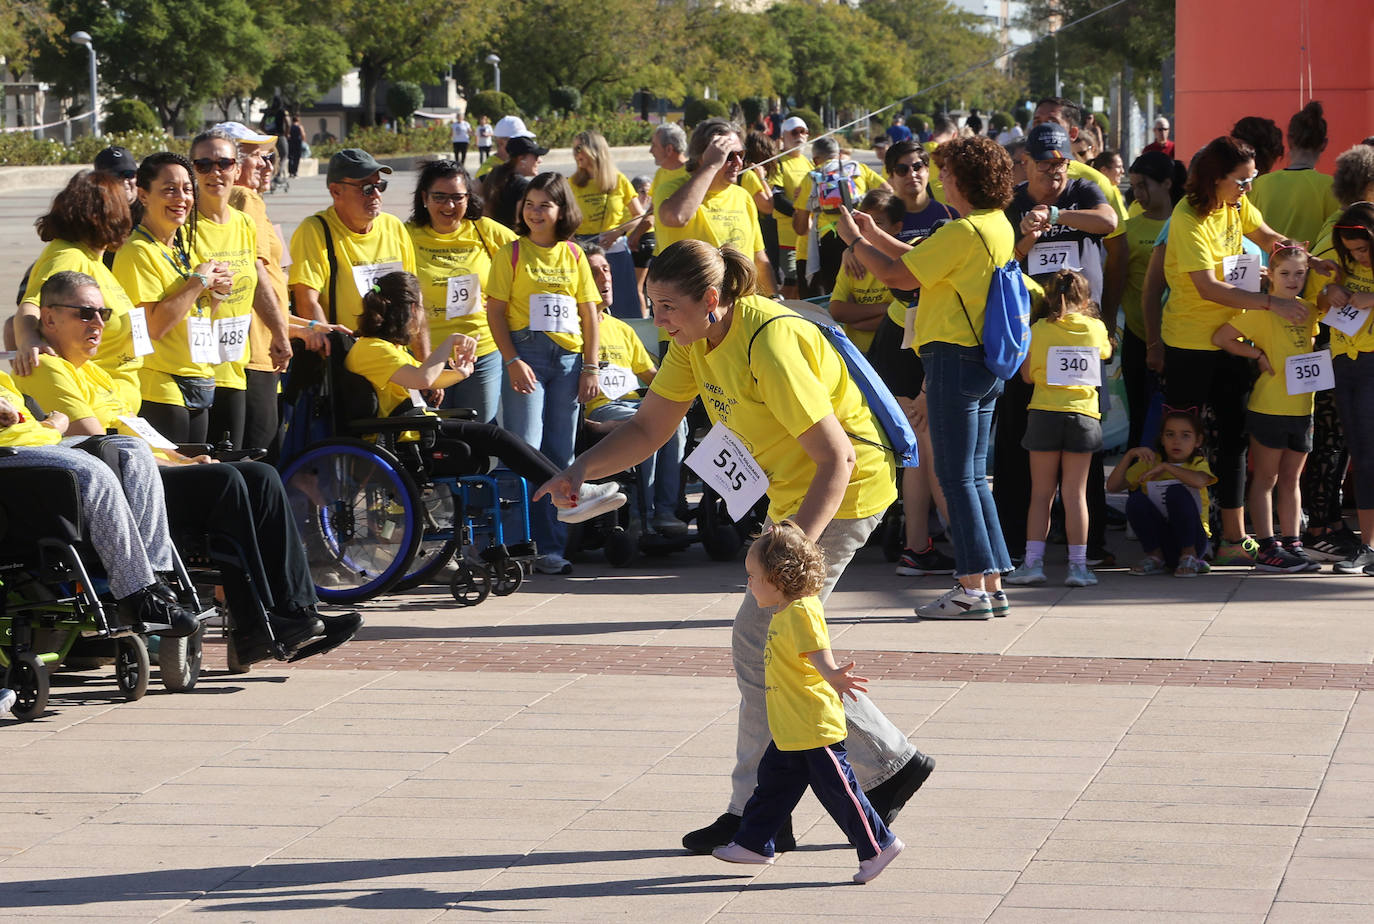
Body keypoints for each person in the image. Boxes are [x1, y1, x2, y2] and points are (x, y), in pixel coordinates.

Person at [535, 240, 932, 853]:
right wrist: (578, 470)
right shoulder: (694, 344)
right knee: (767, 648)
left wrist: (790, 547)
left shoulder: (768, 341)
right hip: (790, 497)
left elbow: (839, 457)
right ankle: (872, 770)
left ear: (713, 300)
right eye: (653, 304)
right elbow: (648, 427)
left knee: (762, 641)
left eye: (669, 306)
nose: (660, 319)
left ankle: (762, 811)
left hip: (844, 493)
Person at [19, 271, 357, 662]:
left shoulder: (94, 373)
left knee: (260, 476)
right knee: (224, 482)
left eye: (103, 314)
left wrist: (183, 459)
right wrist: (178, 465)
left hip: (142, 470)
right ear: (49, 319)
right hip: (110, 492)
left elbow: (141, 438)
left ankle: (298, 611)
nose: (97, 324)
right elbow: (101, 446)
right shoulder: (47, 369)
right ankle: (255, 626)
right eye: (84, 314)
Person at [835, 134, 1018, 620]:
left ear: (965, 180)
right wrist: (873, 234)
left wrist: (853, 240)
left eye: (947, 173)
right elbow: (918, 262)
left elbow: (898, 277)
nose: (939, 179)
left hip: (953, 358)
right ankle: (993, 583)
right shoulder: (992, 224)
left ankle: (970, 589)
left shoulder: (961, 231)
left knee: (955, 477)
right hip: (982, 360)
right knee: (975, 476)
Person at [344, 270, 624, 525]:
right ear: (410, 310)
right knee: (497, 437)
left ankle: (567, 491)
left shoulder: (383, 348)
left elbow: (422, 379)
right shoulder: (371, 349)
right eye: (422, 308)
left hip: (414, 430)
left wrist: (460, 373)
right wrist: (450, 342)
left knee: (497, 439)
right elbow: (422, 379)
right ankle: (570, 490)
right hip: (403, 439)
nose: (423, 317)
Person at [712, 521, 904, 884]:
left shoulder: (801, 611)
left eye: (753, 576)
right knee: (771, 785)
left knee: (839, 792)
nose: (748, 583)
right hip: (792, 727)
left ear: (779, 577)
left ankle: (880, 846)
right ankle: (753, 843)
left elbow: (818, 649)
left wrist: (833, 675)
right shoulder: (786, 611)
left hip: (813, 727)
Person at [1161, 135, 1311, 566]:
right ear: (1214, 179)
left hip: (1233, 337)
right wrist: (1272, 302)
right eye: (1241, 181)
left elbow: (1265, 236)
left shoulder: (1235, 204)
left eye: (1252, 179)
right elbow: (1207, 286)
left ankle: (1233, 537)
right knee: (1181, 440)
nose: (1248, 188)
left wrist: (1306, 257)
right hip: (1190, 343)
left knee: (1233, 438)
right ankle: (1179, 541)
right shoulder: (1187, 217)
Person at [996, 121, 1117, 567]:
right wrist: (1028, 232)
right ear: (1026, 163)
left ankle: (1088, 542)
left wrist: (1058, 215)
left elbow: (1109, 222)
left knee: (1086, 438)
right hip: (1029, 334)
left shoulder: (1082, 191)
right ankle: (1015, 539)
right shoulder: (1013, 201)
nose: (1055, 173)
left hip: (1080, 336)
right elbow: (1003, 258)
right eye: (1046, 165)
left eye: (1061, 163)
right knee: (1020, 437)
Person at [0, 375, 202, 639]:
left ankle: (152, 575)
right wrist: (53, 425)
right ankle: (135, 594)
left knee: (133, 449)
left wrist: (48, 426)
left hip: (38, 440)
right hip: (12, 449)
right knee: (92, 471)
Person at [486, 172, 602, 575]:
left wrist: (591, 366)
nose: (535, 212)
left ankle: (550, 548)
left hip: (569, 362)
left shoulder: (573, 255)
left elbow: (590, 314)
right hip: (527, 353)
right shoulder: (511, 253)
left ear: (561, 210)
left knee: (560, 455)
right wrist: (512, 359)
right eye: (530, 204)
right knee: (524, 449)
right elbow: (495, 312)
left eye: (545, 205)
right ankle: (512, 544)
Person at [862, 141, 959, 577]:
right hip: (906, 344)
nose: (914, 172)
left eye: (921, 165)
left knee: (923, 454)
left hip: (908, 339)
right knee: (930, 453)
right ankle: (959, 545)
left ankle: (919, 545)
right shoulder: (934, 252)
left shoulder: (944, 224)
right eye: (904, 167)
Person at [1211, 245, 1321, 572]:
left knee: (1291, 479)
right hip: (1269, 407)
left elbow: (1310, 343)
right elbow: (1223, 337)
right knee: (1267, 478)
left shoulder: (1309, 310)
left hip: (1303, 407)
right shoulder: (1258, 312)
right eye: (1285, 273)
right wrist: (1257, 355)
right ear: (1270, 275)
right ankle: (1267, 544)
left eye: (1299, 273)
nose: (1293, 280)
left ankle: (1293, 542)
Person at [112, 152, 234, 443]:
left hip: (199, 378)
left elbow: (196, 313)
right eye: (169, 189)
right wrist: (197, 282)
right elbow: (154, 328)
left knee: (198, 473)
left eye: (187, 189)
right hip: (162, 386)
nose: (181, 197)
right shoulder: (137, 252)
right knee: (178, 482)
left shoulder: (183, 249)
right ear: (143, 195)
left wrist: (215, 292)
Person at [1004, 269, 1112, 588]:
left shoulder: (1038, 328)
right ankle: (1078, 567)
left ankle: (1033, 563)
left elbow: (1026, 376)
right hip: (1083, 416)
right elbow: (1105, 353)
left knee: (1041, 493)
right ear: (1087, 299)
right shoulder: (1096, 327)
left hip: (1044, 414)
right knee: (1076, 493)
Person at [10, 171, 146, 409]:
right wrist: (30, 340)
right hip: (94, 405)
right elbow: (31, 305)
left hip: (117, 401)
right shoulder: (69, 256)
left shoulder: (92, 259)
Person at [580, 243, 687, 535]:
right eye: (594, 272)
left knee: (674, 420)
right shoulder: (574, 330)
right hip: (602, 408)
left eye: (606, 270)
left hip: (634, 403)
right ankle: (645, 512)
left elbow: (653, 376)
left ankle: (666, 511)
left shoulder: (622, 329)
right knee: (644, 424)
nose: (605, 278)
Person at [1300, 146, 1374, 563]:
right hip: (1339, 351)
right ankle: (1323, 524)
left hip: (1348, 349)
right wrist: (1330, 290)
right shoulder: (1342, 227)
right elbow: (1321, 286)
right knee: (1334, 441)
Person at [406, 159, 516, 423]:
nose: (449, 206)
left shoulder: (486, 231)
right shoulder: (405, 235)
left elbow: (530, 262)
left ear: (469, 198)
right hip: (425, 355)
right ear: (424, 197)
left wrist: (509, 303)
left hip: (480, 353)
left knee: (478, 433)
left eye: (457, 197)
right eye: (440, 197)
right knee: (433, 437)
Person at [221, 121, 293, 456]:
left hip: (254, 343)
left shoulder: (246, 201)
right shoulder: (244, 197)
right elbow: (256, 269)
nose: (266, 165)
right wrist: (281, 332)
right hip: (256, 346)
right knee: (261, 453)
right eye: (256, 157)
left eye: (268, 158)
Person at [289, 148, 416, 336]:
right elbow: (307, 302)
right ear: (336, 191)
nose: (376, 195)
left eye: (379, 186)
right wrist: (334, 348)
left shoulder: (393, 226)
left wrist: (422, 361)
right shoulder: (315, 230)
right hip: (348, 355)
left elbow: (413, 300)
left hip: (393, 356)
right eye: (366, 188)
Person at [189, 127, 261, 448]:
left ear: (237, 167)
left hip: (234, 364)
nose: (214, 172)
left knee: (236, 461)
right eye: (203, 165)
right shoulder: (183, 225)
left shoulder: (244, 222)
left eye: (223, 164)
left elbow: (256, 282)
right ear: (191, 170)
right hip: (194, 369)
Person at [1314, 202, 1374, 574]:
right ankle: (1368, 545)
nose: (1358, 256)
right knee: (1361, 456)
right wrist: (1330, 293)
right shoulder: (1342, 265)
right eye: (1351, 250)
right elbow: (1318, 305)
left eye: (1363, 248)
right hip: (1344, 362)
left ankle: (1369, 545)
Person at [657, 119, 775, 295]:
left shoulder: (743, 196)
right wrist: (711, 165)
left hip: (738, 304)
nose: (737, 162)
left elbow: (758, 257)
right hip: (692, 308)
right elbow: (677, 216)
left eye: (740, 154)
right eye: (728, 155)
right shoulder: (670, 190)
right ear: (703, 156)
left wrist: (773, 295)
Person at [1116, 151, 1185, 449]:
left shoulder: (1187, 224)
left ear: (1167, 183)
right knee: (1141, 420)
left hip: (1182, 339)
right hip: (1139, 338)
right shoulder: (1128, 230)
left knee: (1179, 423)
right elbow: (1116, 284)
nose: (1138, 194)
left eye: (1145, 185)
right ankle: (1137, 487)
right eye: (1134, 186)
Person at [1107, 408, 1216, 577]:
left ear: (1198, 440)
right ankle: (1155, 557)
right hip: (1164, 540)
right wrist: (1129, 455)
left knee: (1176, 491)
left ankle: (1190, 557)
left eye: (1185, 435)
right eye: (1170, 434)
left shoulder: (1197, 462)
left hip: (1194, 539)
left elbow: (1200, 481)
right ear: (1162, 439)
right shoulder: (1151, 462)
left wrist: (1166, 467)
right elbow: (1112, 487)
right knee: (1136, 500)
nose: (1176, 441)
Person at [568, 131, 643, 316]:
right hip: (586, 252)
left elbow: (639, 215)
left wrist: (617, 233)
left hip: (616, 251)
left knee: (624, 307)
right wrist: (576, 244)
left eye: (579, 148)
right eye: (574, 149)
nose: (576, 154)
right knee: (589, 308)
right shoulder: (572, 183)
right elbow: (564, 221)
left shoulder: (619, 180)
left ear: (595, 150)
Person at [1248, 101, 1340, 247]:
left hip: (1270, 267)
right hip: (1312, 267)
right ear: (1324, 143)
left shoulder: (1258, 184)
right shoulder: (1332, 187)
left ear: (1289, 140)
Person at [767, 116, 813, 298]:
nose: (799, 136)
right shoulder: (778, 162)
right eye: (794, 132)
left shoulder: (809, 163)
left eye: (803, 131)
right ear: (783, 136)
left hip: (808, 239)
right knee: (790, 282)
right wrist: (799, 211)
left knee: (805, 284)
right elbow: (776, 198)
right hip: (786, 237)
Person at [481, 135, 547, 230]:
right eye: (536, 156)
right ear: (521, 159)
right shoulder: (522, 186)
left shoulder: (491, 177)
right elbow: (521, 223)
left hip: (490, 235)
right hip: (510, 240)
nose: (540, 160)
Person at [474, 115, 535, 181]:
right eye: (518, 140)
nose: (523, 144)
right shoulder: (487, 172)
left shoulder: (513, 165)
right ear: (501, 142)